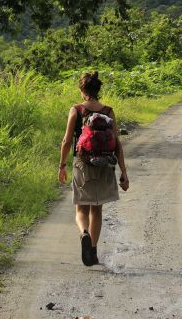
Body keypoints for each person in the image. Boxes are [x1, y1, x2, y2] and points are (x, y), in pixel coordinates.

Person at [58, 71, 129, 266]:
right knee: (97, 210)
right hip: (105, 165)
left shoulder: (77, 110)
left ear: (82, 90)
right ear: (98, 89)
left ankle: (84, 235)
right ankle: (94, 251)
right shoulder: (108, 111)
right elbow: (117, 144)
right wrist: (123, 171)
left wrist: (62, 165)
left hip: (83, 164)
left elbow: (66, 141)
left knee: (81, 208)